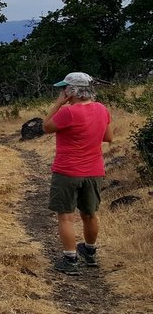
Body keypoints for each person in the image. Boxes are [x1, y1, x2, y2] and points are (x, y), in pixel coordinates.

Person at [42, 72, 113, 275]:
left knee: (65, 217)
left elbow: (46, 127)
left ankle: (70, 259)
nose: (62, 91)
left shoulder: (68, 113)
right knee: (90, 214)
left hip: (67, 170)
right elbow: (109, 137)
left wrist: (57, 105)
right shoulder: (102, 109)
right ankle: (90, 253)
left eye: (64, 89)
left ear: (70, 91)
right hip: (94, 170)